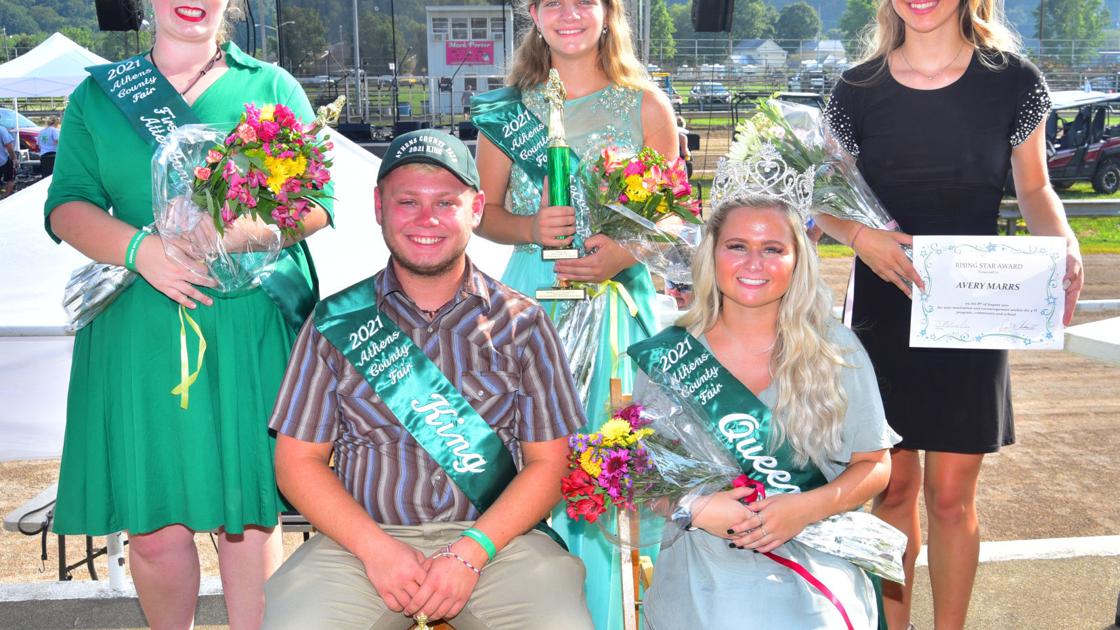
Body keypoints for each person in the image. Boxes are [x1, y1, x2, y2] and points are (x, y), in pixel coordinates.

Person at [43, 1, 331, 627]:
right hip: (137, 325)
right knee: (152, 526)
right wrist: (140, 250)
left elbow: (316, 204)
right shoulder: (98, 97)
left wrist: (236, 233)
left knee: (247, 520)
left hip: (242, 325)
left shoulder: (271, 87)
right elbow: (67, 206)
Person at [819, 0, 1085, 626]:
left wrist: (1065, 241)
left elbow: (1035, 188)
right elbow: (823, 202)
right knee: (893, 490)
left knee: (949, 498)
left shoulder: (1014, 82)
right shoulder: (855, 89)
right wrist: (863, 238)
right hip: (884, 307)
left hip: (975, 306)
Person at [262, 130, 594, 630]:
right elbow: (297, 463)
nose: (427, 219)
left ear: (477, 208)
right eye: (407, 201)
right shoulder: (334, 320)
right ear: (378, 207)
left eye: (446, 202)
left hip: (496, 546)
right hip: (361, 546)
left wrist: (472, 551)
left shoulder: (523, 323)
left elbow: (550, 464)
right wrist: (377, 550)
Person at [471, 1, 678, 626]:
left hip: (616, 304)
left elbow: (669, 215)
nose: (569, 14)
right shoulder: (508, 111)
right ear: (533, 15)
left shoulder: (647, 105)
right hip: (531, 304)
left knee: (609, 463)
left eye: (583, 0)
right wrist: (532, 226)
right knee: (532, 459)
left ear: (608, 12)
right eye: (551, 2)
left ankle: (614, 611)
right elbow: (484, 212)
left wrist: (621, 253)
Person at [630, 195, 899, 629]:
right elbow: (636, 468)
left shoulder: (834, 347)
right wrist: (694, 507)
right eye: (737, 246)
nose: (754, 262)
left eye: (772, 249)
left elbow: (874, 465)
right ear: (711, 254)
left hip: (815, 541)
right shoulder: (671, 354)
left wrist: (806, 507)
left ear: (797, 261)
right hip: (705, 550)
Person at [0, 123, 16, 197]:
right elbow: (9, 147)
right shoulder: (2, 130)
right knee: (10, 179)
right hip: (2, 160)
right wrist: (14, 158)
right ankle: (6, 197)